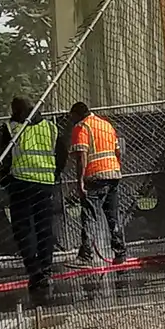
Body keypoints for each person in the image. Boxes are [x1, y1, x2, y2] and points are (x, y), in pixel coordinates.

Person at [3, 95, 58, 300]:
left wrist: (6, 181)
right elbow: (60, 153)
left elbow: (4, 157)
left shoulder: (12, 128)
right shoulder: (49, 127)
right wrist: (53, 174)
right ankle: (46, 268)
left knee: (23, 229)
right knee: (44, 228)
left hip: (20, 183)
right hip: (45, 183)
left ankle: (34, 270)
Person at [65, 100, 125, 263]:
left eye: (72, 117)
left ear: (77, 115)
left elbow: (81, 156)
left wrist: (80, 182)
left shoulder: (82, 127)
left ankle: (85, 256)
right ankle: (120, 253)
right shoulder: (106, 125)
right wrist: (115, 168)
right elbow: (118, 151)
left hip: (95, 176)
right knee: (113, 216)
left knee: (89, 216)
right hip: (113, 174)